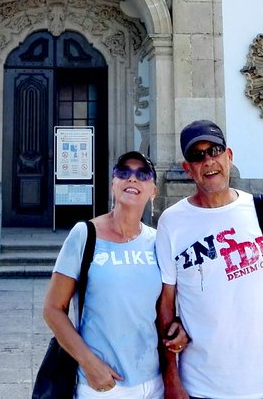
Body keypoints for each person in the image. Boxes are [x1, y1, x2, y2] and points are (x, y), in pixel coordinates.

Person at [155, 121, 263, 399]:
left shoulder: (260, 210)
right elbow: (165, 303)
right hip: (201, 388)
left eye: (215, 151)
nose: (208, 161)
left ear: (229, 156)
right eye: (197, 156)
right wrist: (172, 379)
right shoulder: (172, 222)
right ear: (187, 169)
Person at [42, 151, 188, 398]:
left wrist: (180, 328)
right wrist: (89, 363)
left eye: (142, 175)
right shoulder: (84, 235)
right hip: (102, 385)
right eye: (123, 173)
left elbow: (167, 307)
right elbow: (53, 309)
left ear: (153, 190)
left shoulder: (157, 241)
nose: (132, 179)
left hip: (152, 383)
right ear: (113, 185)